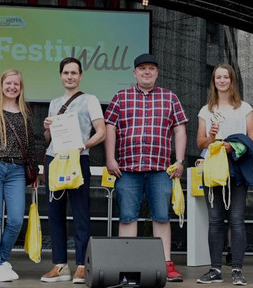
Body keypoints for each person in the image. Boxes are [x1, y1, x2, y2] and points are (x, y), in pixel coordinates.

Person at [105, 53, 187, 282]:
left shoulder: (170, 97)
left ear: (157, 72)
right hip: (127, 169)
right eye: (142, 69)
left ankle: (166, 264)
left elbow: (179, 129)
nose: (147, 72)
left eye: (151, 68)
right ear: (134, 73)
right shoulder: (121, 97)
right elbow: (109, 127)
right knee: (127, 217)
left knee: (161, 217)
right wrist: (110, 159)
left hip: (160, 169)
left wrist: (179, 160)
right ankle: (126, 266)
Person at [40, 57, 106, 284]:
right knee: (54, 212)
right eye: (65, 73)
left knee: (81, 213)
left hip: (78, 159)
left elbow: (101, 131)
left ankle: (81, 265)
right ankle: (59, 266)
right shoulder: (54, 102)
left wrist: (84, 145)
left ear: (80, 76)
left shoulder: (90, 100)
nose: (69, 76)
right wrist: (47, 128)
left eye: (73, 73)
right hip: (54, 159)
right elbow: (48, 139)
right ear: (60, 76)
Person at [195, 63, 253, 285]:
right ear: (213, 81)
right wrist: (212, 138)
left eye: (225, 77)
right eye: (218, 77)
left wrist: (233, 146)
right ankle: (214, 269)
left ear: (232, 80)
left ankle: (237, 270)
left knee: (236, 220)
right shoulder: (206, 110)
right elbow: (200, 142)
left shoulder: (244, 107)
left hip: (237, 167)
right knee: (214, 220)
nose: (222, 81)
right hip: (213, 169)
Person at [0, 69, 39, 282]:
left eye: (16, 85)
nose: (12, 87)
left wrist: (35, 171)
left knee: (15, 220)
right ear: (1, 85)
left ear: (21, 88)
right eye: (8, 83)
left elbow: (30, 146)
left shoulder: (25, 112)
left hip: (17, 171)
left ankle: (1, 260)